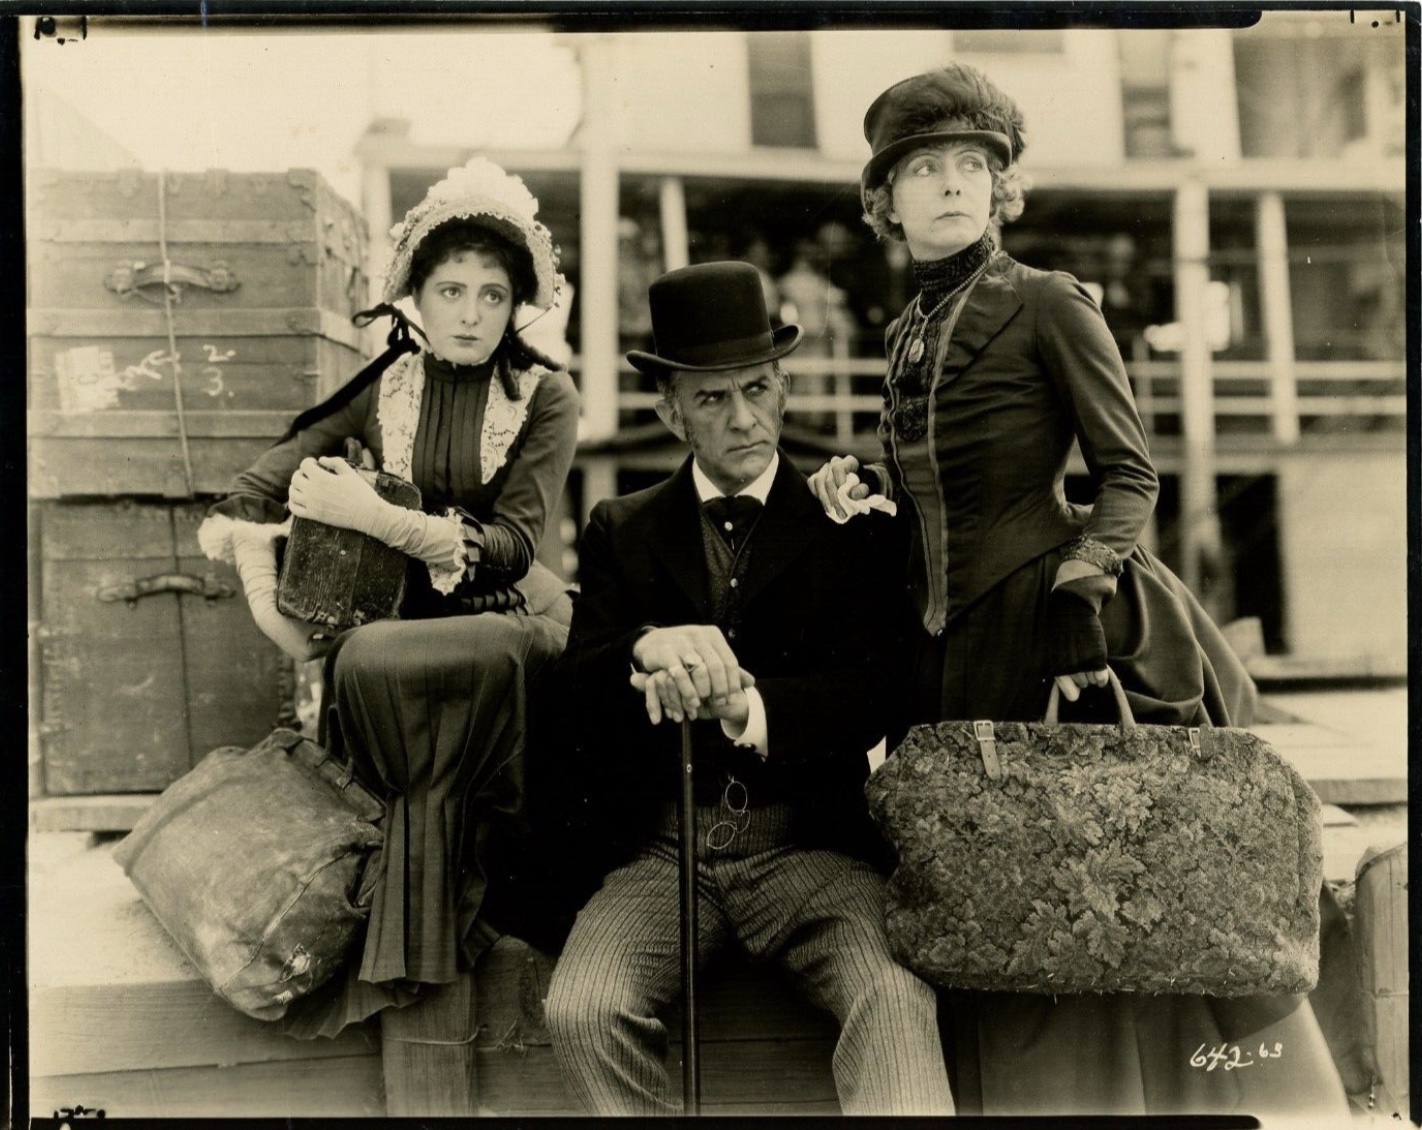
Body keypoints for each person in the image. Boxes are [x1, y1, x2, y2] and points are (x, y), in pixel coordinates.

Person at [807, 64, 1351, 1119]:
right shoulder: (906, 332)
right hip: (953, 655)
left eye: (974, 164)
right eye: (925, 168)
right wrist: (868, 486)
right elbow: (944, 485)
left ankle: (1250, 1108)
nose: (953, 184)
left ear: (1003, 186)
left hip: (1064, 629)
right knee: (1002, 902)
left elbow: (1129, 472)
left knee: (1138, 880)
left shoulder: (1047, 301)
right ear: (887, 199)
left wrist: (1083, 587)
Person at [196, 158, 580, 1100]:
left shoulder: (545, 398)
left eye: (494, 294)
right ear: (415, 296)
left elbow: (515, 541)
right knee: (371, 660)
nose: (471, 311)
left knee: (370, 659)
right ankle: (429, 1059)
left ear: (516, 305)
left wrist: (384, 524)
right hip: (400, 652)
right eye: (450, 289)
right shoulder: (388, 385)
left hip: (511, 636)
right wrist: (260, 531)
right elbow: (263, 478)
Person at [539, 262, 954, 1116]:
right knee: (580, 1009)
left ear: (785, 387)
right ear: (671, 412)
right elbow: (575, 691)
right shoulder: (623, 527)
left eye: (757, 389)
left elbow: (877, 689)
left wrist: (747, 706)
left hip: (812, 851)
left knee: (894, 994)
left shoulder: (846, 522)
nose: (743, 418)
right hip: (666, 854)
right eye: (712, 399)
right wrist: (647, 647)